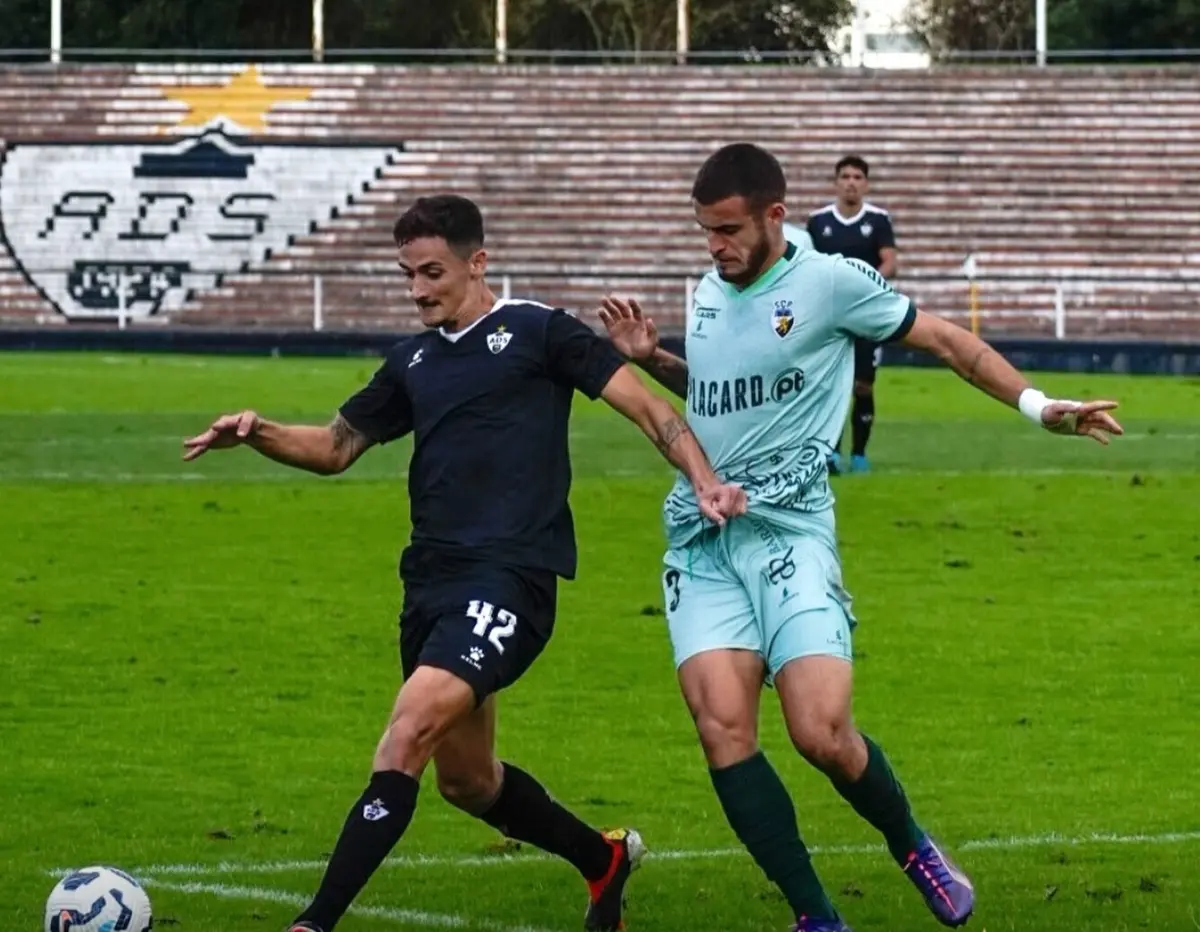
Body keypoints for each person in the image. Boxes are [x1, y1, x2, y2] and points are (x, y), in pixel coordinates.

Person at [182, 194, 746, 932]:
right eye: (407, 275)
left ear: (476, 263)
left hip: (511, 577)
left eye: (431, 272)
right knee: (469, 782)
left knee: (408, 729)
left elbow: (647, 408)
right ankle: (602, 859)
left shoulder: (538, 331)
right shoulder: (411, 360)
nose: (417, 289)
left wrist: (702, 478)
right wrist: (259, 433)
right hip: (431, 584)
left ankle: (313, 921)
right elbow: (335, 447)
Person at [599, 143, 1122, 932]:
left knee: (821, 731)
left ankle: (912, 845)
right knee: (722, 731)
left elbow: (949, 343)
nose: (715, 246)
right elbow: (718, 397)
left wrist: (1039, 406)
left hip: (793, 531)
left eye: (730, 229)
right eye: (706, 231)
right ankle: (816, 916)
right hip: (703, 539)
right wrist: (655, 359)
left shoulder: (829, 281)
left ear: (775, 215)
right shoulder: (710, 289)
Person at [806, 155, 898, 474]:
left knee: (862, 386)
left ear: (866, 184)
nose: (851, 182)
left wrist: (864, 286)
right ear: (836, 182)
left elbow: (890, 262)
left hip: (866, 316)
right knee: (828, 385)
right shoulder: (818, 221)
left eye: (857, 177)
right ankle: (829, 452)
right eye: (845, 176)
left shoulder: (878, 219)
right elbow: (807, 264)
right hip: (828, 316)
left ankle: (859, 454)